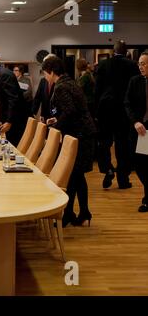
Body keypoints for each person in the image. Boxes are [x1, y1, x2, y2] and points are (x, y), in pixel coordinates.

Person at [42, 56, 96, 227]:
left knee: (74, 175)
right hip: (84, 133)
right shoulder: (70, 82)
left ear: (51, 72)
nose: (45, 77)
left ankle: (69, 214)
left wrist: (56, 126)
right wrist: (55, 119)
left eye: (45, 74)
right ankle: (80, 213)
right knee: (76, 175)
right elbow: (69, 110)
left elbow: (70, 111)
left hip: (80, 135)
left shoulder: (61, 87)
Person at [95, 40, 140, 189]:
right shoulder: (132, 65)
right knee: (122, 144)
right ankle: (123, 178)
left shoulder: (102, 65)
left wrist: (96, 111)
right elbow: (135, 91)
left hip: (105, 109)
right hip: (123, 110)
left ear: (113, 51)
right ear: (126, 51)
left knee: (104, 143)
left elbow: (97, 90)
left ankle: (107, 168)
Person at [124, 51, 148, 212]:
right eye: (139, 63)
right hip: (142, 130)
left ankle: (147, 200)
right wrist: (135, 121)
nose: (140, 66)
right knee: (140, 164)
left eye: (144, 63)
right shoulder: (135, 81)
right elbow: (127, 103)